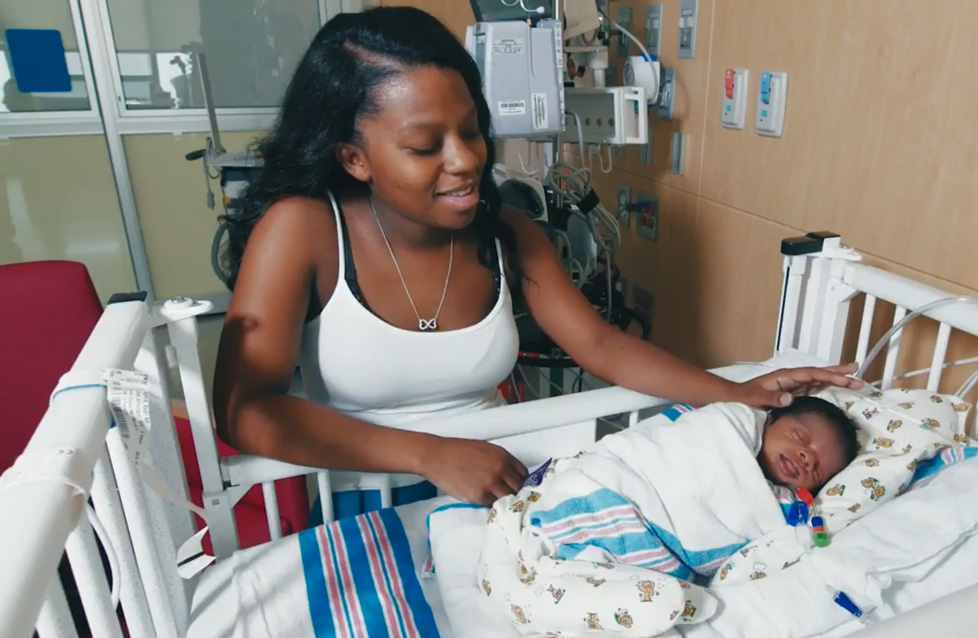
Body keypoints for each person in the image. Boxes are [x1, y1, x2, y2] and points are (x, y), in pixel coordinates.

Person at [211, 7, 862, 518]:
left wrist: (737, 391)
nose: (466, 160)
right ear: (354, 158)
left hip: (504, 477)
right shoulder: (303, 230)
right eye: (423, 145)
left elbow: (601, 344)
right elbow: (243, 408)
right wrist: (430, 455)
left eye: (470, 130)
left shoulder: (508, 236)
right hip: (366, 495)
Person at [476, 396, 860, 636]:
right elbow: (665, 457)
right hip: (610, 490)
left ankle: (563, 583)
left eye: (818, 468)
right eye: (800, 436)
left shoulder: (783, 510)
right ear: (771, 418)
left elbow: (749, 545)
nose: (806, 456)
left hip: (644, 553)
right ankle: (554, 567)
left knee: (656, 598)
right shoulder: (728, 424)